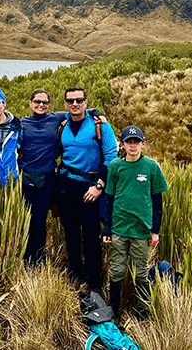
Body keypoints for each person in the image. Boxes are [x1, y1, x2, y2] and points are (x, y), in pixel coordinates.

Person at [19, 89, 105, 265]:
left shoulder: (56, 118)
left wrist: (97, 113)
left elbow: (80, 111)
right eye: (36, 102)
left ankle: (39, 260)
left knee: (39, 221)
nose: (40, 105)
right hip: (25, 177)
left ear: (49, 105)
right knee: (25, 220)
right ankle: (26, 258)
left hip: (48, 178)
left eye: (44, 102)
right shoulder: (21, 123)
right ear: (30, 103)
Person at [56, 86, 119, 294]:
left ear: (85, 101)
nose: (75, 104)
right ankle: (75, 273)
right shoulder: (62, 123)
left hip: (90, 185)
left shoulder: (99, 124)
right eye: (70, 100)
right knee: (70, 230)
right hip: (65, 183)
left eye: (79, 100)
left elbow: (110, 156)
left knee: (91, 234)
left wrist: (99, 185)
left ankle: (94, 282)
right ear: (65, 103)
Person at [102, 126, 168, 321]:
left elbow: (157, 201)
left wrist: (155, 230)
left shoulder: (151, 167)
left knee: (141, 272)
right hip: (119, 227)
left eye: (136, 142)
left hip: (142, 229)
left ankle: (142, 312)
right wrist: (107, 228)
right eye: (128, 142)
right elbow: (109, 199)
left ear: (143, 144)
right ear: (122, 145)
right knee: (117, 270)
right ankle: (114, 311)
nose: (132, 145)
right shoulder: (114, 166)